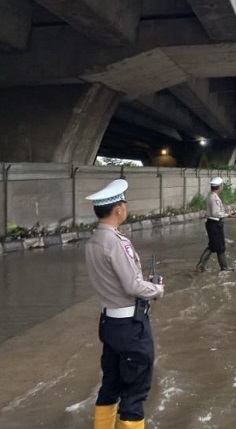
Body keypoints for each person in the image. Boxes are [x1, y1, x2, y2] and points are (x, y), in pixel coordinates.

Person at [84, 179, 165, 429]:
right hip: (131, 327)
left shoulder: (93, 241)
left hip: (109, 323)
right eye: (124, 203)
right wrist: (157, 289)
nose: (125, 208)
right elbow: (132, 286)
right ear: (118, 208)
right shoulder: (118, 243)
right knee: (135, 391)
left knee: (110, 385)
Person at [196, 177, 234, 271]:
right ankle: (224, 267)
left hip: (211, 223)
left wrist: (225, 214)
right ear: (219, 187)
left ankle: (200, 266)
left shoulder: (210, 196)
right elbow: (215, 213)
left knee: (212, 246)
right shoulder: (215, 198)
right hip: (215, 224)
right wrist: (227, 215)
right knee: (220, 247)